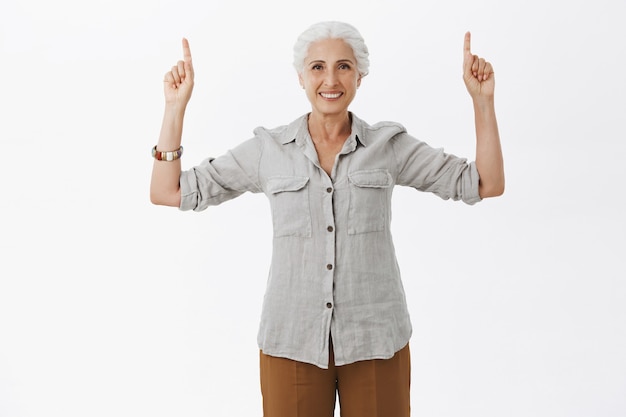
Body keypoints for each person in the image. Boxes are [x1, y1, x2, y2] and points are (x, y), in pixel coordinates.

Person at [150, 21, 504, 417]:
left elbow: (483, 183)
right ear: (301, 76)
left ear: (360, 76)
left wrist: (483, 102)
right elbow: (169, 192)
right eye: (317, 67)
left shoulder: (388, 146)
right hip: (292, 342)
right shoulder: (269, 150)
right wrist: (174, 108)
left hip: (375, 340)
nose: (330, 79)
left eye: (344, 67)